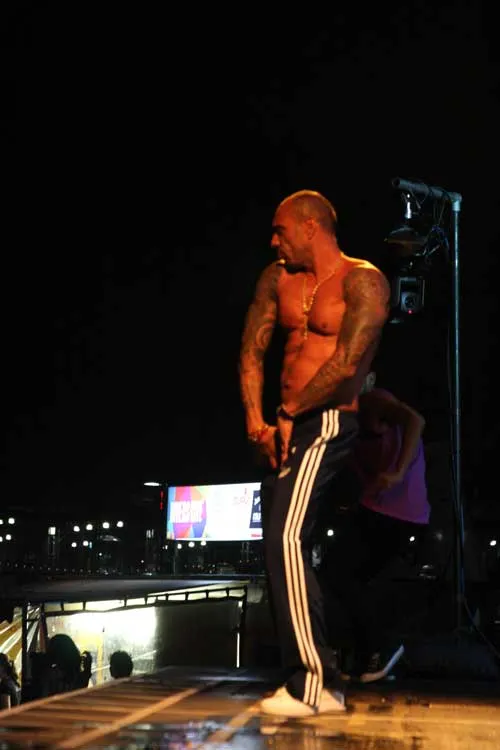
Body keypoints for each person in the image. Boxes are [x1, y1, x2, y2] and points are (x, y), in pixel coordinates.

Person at [239, 189, 390, 717]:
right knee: (281, 545)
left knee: (286, 536)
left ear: (310, 227)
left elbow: (347, 364)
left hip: (326, 420)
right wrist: (256, 423)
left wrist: (289, 411)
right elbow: (252, 350)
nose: (273, 241)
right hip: (283, 426)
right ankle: (316, 678)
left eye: (280, 230)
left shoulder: (362, 281)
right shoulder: (277, 279)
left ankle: (312, 682)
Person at [318, 372, 430, 683]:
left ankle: (381, 647)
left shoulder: (373, 401)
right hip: (377, 509)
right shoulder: (342, 418)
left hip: (399, 511)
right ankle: (367, 653)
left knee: (338, 573)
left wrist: (398, 472)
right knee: (343, 577)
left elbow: (416, 421)